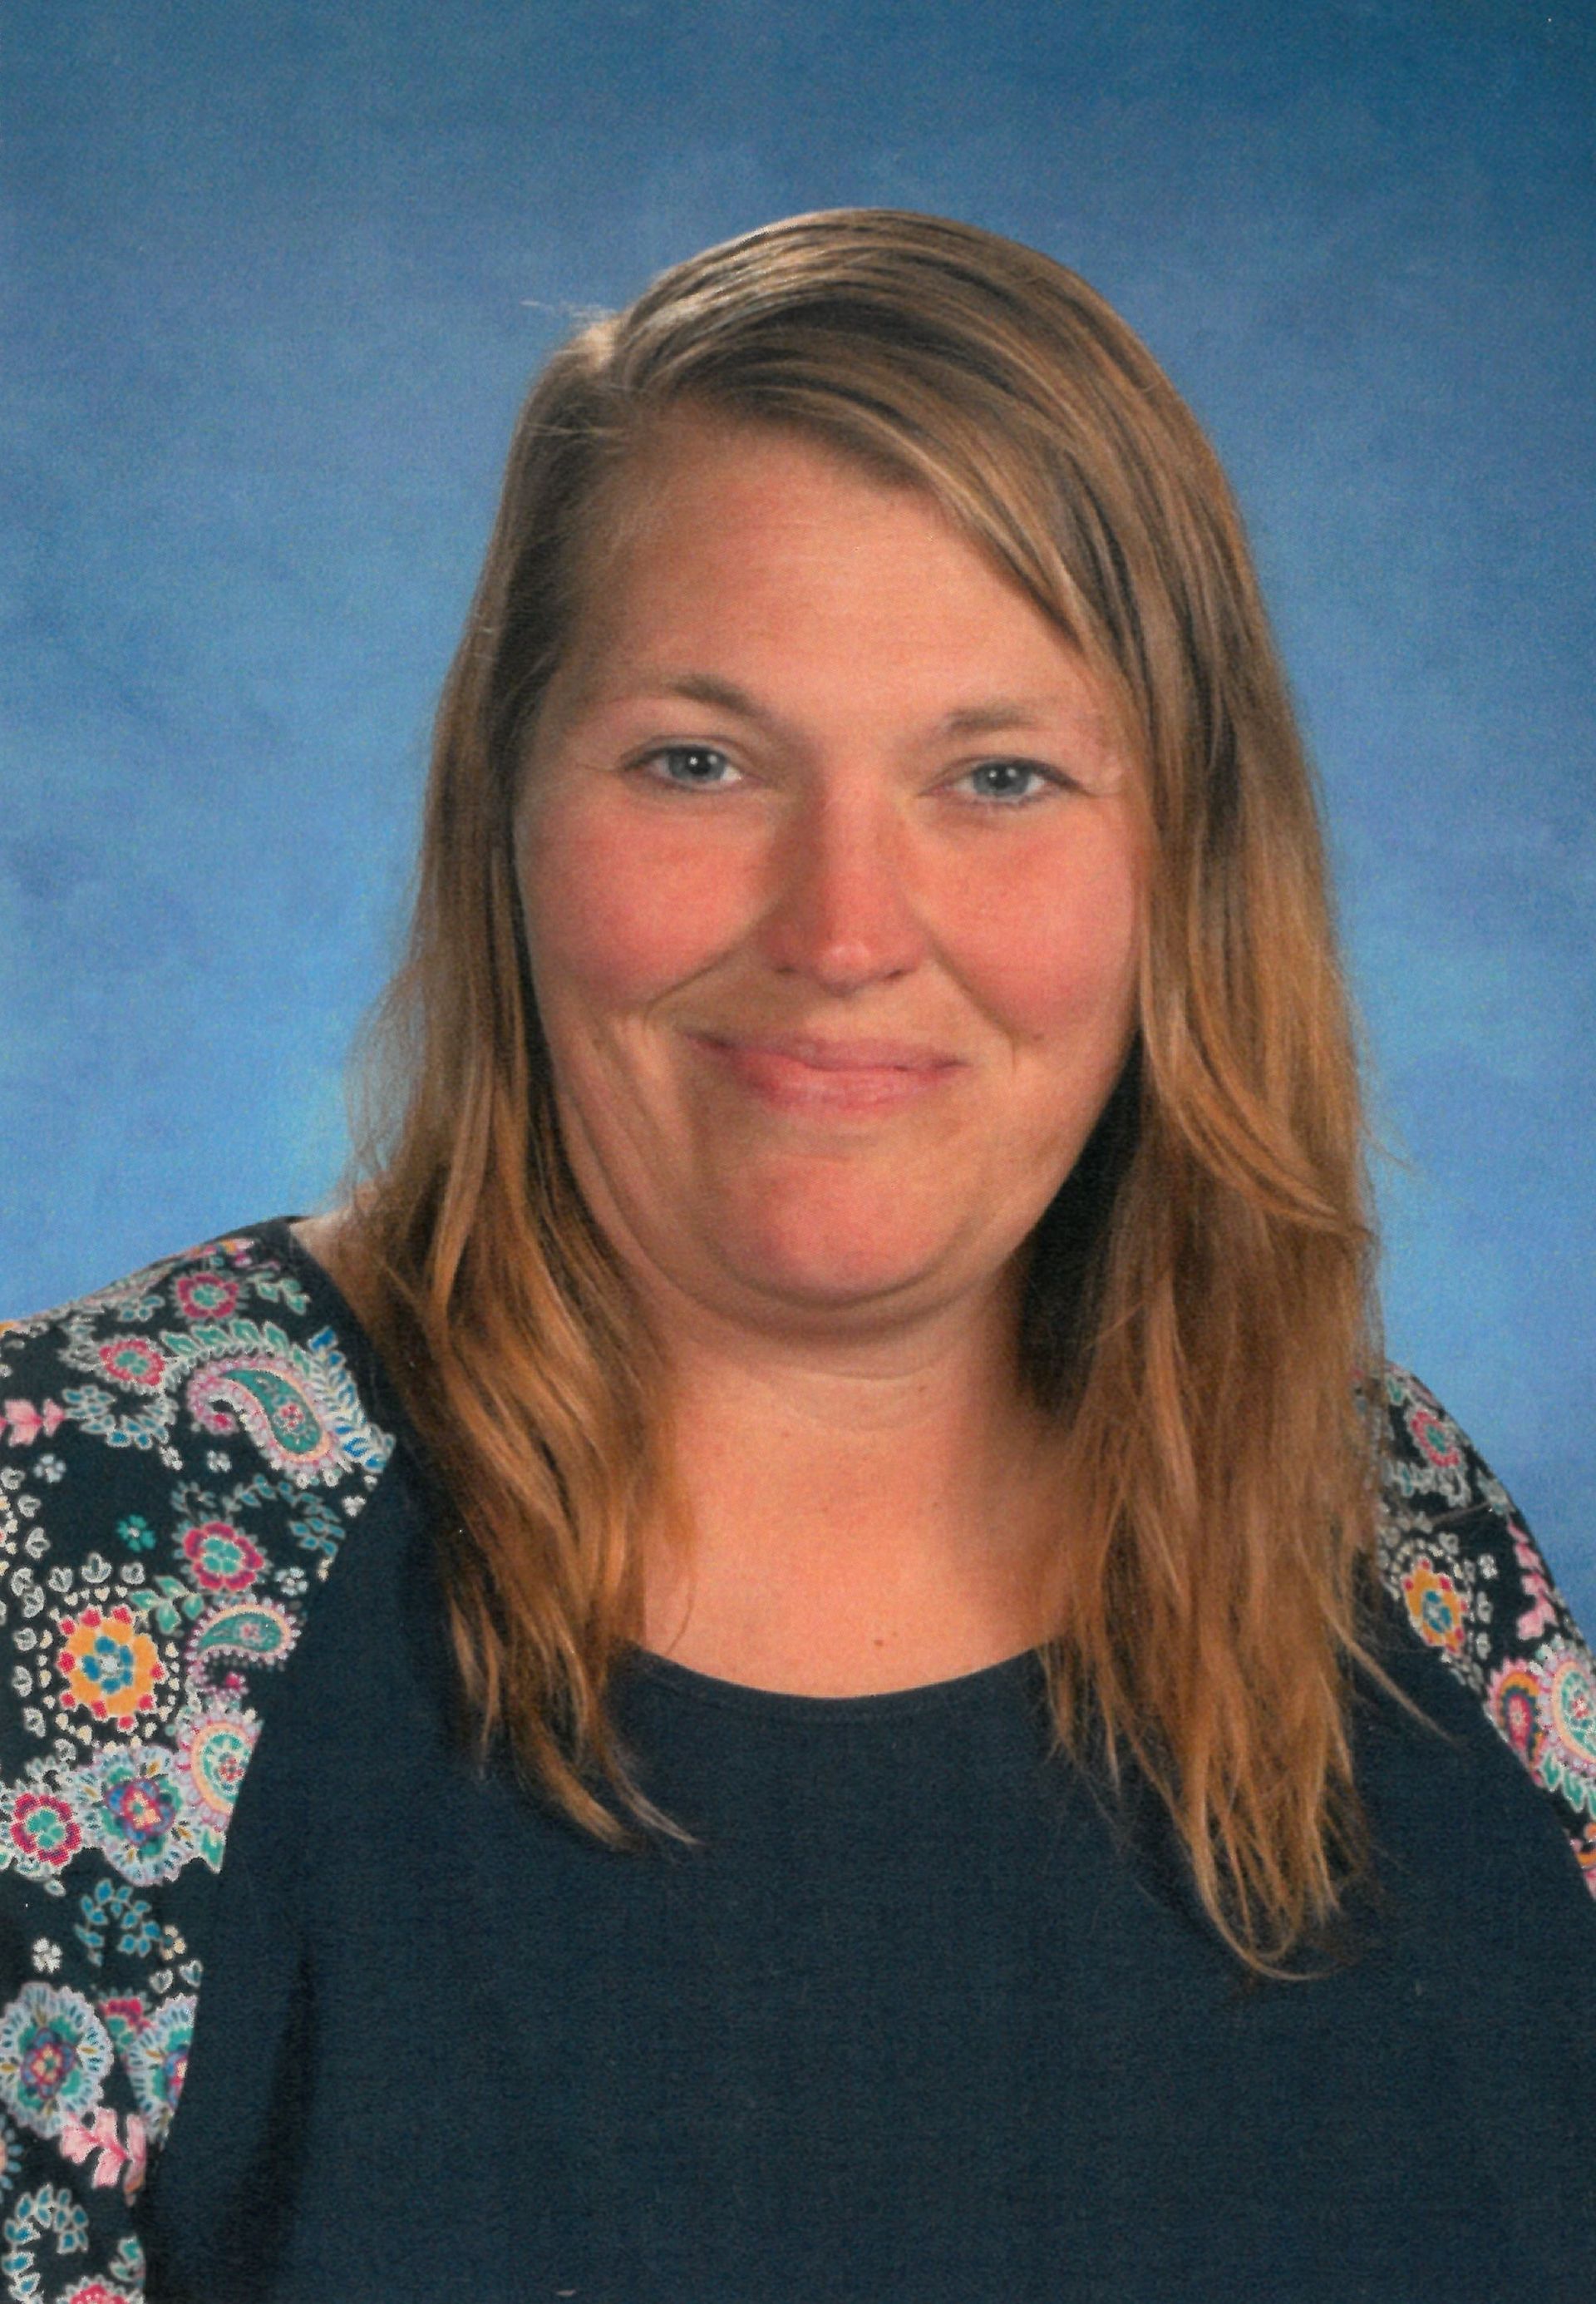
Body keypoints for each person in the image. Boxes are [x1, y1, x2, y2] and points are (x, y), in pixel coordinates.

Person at [1, 209, 1592, 2304]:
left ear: (1192, 864)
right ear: (504, 805)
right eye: (700, 762)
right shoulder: (79, 1543)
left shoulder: (1395, 1531)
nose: (845, 932)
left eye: (999, 776)